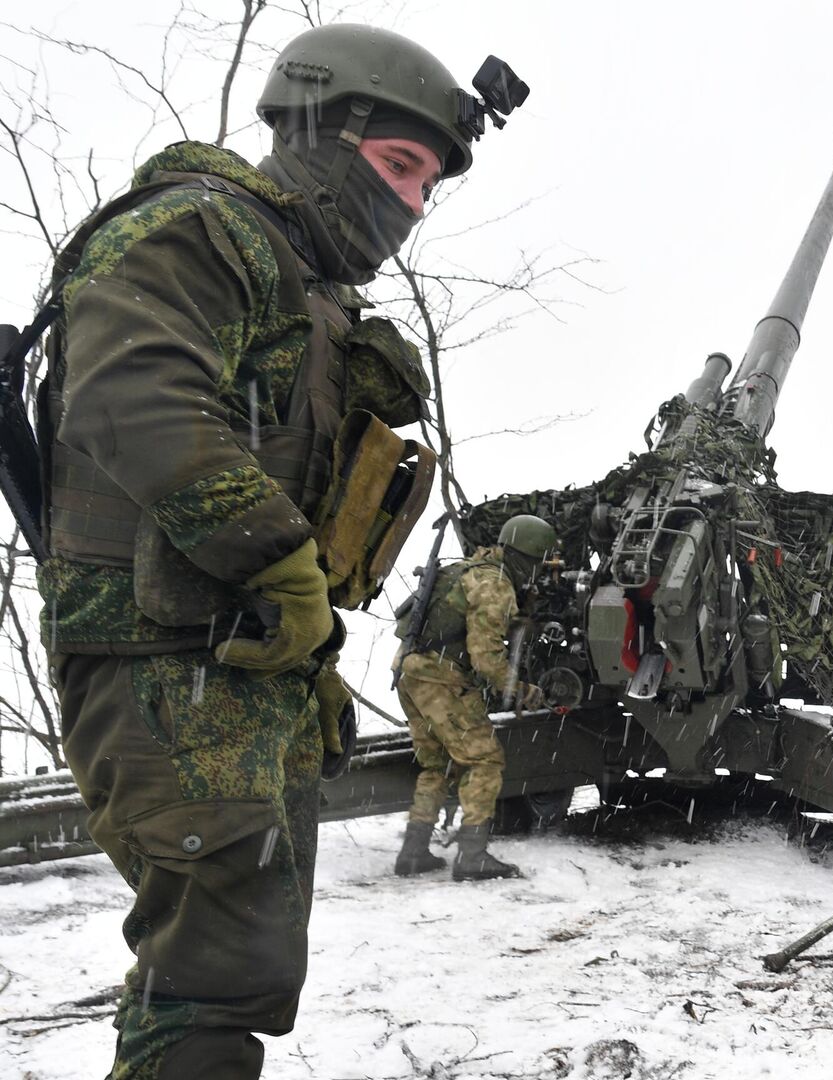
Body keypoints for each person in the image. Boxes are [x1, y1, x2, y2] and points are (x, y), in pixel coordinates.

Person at [36, 23, 515, 1079]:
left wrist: (306, 663)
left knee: (231, 979)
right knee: (211, 977)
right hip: (165, 663)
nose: (410, 206)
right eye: (398, 167)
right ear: (320, 133)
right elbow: (136, 395)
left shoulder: (304, 286)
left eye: (427, 184)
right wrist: (281, 571)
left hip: (230, 669)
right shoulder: (200, 229)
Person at [391, 513, 553, 881]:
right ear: (528, 556)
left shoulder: (467, 569)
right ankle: (472, 855)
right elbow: (484, 657)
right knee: (483, 761)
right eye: (538, 562)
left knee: (438, 765)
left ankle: (413, 853)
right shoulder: (494, 584)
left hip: (409, 673)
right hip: (440, 680)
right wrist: (520, 689)